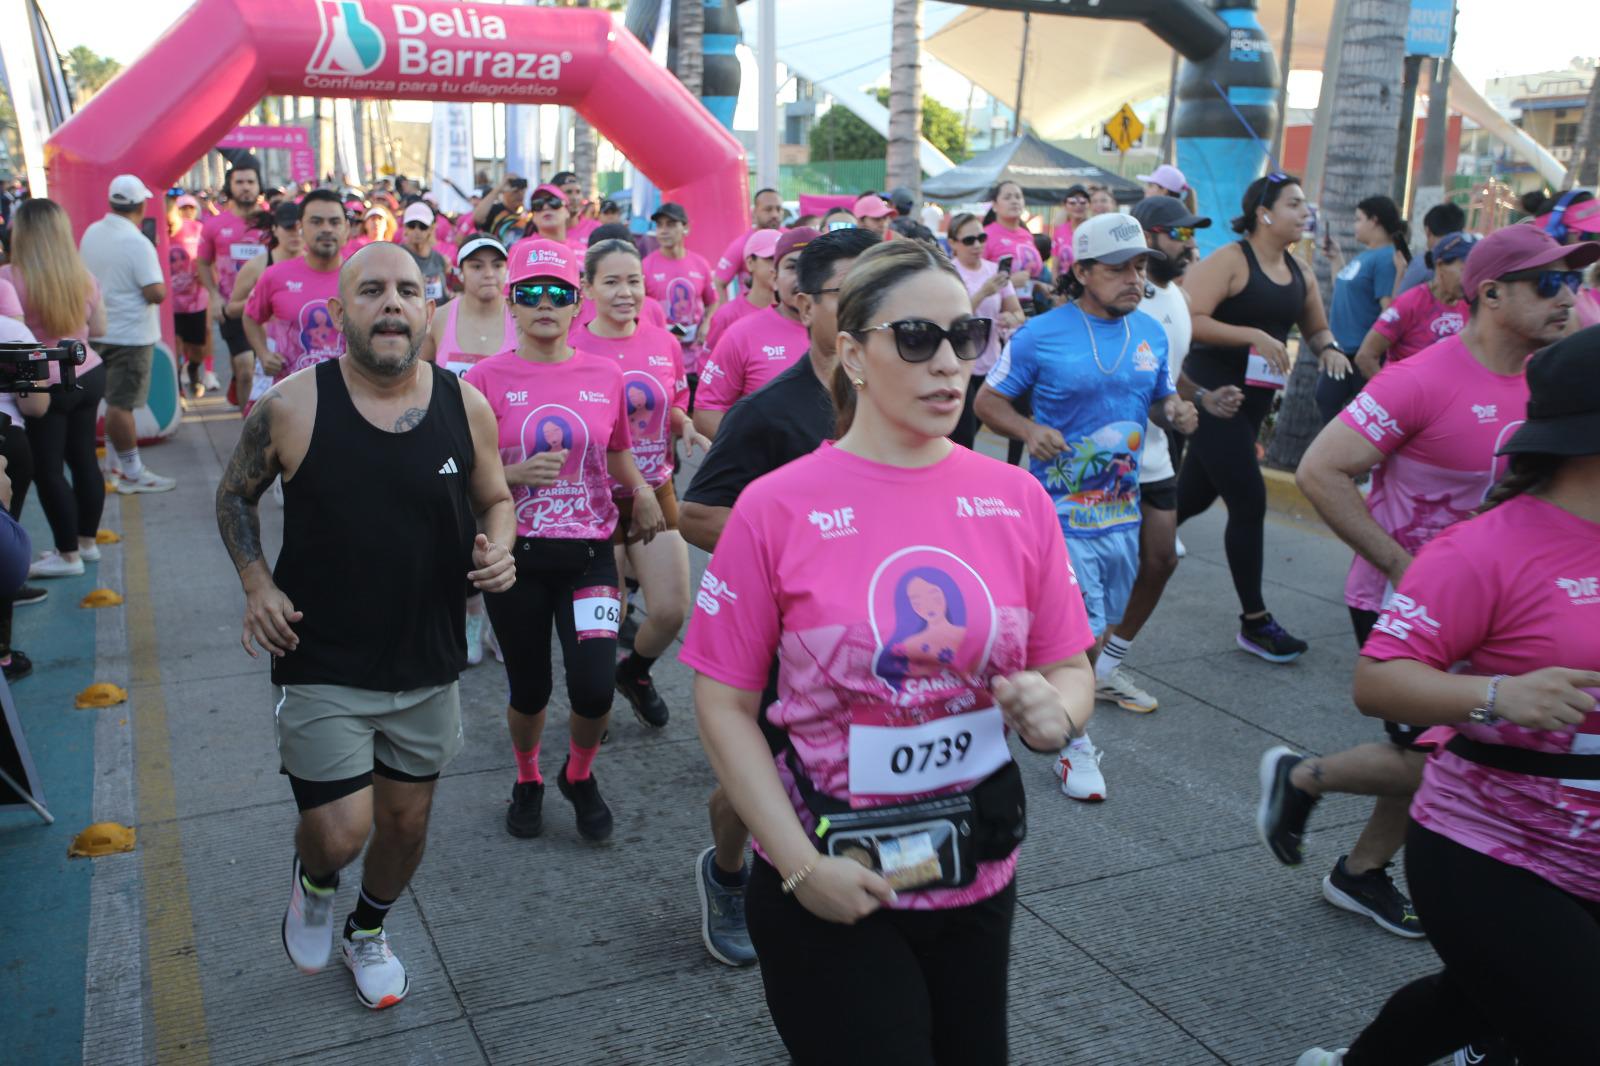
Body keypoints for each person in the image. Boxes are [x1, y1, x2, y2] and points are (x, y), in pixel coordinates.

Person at [682, 239, 1095, 1062]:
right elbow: (722, 702)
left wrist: (1059, 713)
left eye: (967, 337)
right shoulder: (776, 508)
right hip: (829, 877)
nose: (950, 364)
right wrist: (800, 870)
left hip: (976, 868)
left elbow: (1069, 665)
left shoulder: (1014, 499)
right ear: (852, 354)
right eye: (917, 338)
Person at [1268, 226, 1598, 943]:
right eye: (1548, 283)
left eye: (1571, 281)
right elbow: (1322, 470)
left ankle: (1363, 869)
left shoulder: (1559, 380)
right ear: (1490, 293)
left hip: (1515, 608)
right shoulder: (1422, 378)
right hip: (1411, 605)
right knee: (1455, 755)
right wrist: (1398, 565)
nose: (1567, 296)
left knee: (1455, 748)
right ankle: (1308, 782)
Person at [215, 241, 516, 1011]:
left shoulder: (464, 403)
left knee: (406, 825)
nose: (392, 304)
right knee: (342, 831)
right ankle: (316, 883)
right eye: (372, 291)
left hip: (428, 659)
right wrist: (257, 584)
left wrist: (500, 554)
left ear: (428, 308)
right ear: (340, 311)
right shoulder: (292, 405)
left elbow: (497, 497)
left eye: (408, 290)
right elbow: (233, 496)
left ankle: (368, 930)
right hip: (321, 656)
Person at [1298, 324, 1600, 1066]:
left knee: (1473, 1000)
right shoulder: (1482, 548)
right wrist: (1499, 695)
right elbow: (1377, 679)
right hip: (1493, 845)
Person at [680, 226, 880, 968]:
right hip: (783, 634)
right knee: (758, 776)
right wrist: (807, 557)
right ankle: (728, 871)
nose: (872, 309)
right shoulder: (771, 412)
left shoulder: (901, 398)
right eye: (851, 294)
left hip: (876, 634)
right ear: (804, 304)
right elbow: (696, 513)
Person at [976, 212, 1198, 802]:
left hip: (1120, 514)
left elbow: (1157, 399)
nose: (1134, 277)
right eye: (1120, 267)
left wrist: (1175, 412)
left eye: (1141, 266)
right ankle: (1072, 747)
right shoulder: (1041, 334)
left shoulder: (1148, 333)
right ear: (1082, 271)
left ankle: (1014, 691)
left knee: (1083, 631)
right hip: (1056, 516)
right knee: (1088, 634)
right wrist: (1028, 428)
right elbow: (987, 401)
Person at [463, 239, 663, 844]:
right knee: (530, 688)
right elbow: (461, 476)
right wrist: (514, 476)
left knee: (595, 684)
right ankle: (527, 778)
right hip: (514, 557)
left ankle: (578, 776)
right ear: (512, 306)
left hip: (590, 557)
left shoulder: (605, 373)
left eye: (558, 293)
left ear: (576, 303)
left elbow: (619, 449)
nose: (544, 303)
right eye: (530, 293)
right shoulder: (481, 379)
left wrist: (645, 490)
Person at [1177, 172, 1338, 663]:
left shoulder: (1301, 272)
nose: (1304, 211)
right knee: (1248, 501)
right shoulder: (1231, 260)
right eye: (1294, 203)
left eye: (1305, 202)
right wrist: (1252, 335)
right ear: (1264, 213)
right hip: (1212, 395)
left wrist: (1330, 351)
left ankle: (1106, 547)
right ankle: (1255, 622)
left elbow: (1316, 329)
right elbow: (1189, 317)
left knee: (1191, 500)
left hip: (1253, 406)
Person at [1093, 197, 1238, 713]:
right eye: (1180, 235)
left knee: (1160, 559)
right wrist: (1169, 409)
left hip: (1155, 453)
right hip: (1110, 456)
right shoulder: (1128, 296)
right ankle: (1071, 669)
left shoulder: (1175, 295)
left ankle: (1105, 667)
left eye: (1191, 235)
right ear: (1150, 237)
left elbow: (1166, 374)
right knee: (1100, 571)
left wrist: (1200, 398)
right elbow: (1119, 377)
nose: (1190, 244)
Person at [571, 237, 708, 728]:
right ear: (587, 287)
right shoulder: (571, 347)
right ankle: (592, 708)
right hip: (591, 502)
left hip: (658, 488)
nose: (625, 292)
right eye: (611, 282)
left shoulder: (663, 340)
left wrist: (684, 424)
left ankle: (636, 674)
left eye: (632, 280)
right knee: (603, 621)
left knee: (671, 610)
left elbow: (668, 404)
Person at [0, 199, 106, 578]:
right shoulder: (83, 276)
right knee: (84, 460)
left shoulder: (10, 278)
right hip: (88, 370)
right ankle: (87, 544)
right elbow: (101, 329)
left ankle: (67, 554)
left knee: (48, 469)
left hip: (42, 382)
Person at [78, 174, 173, 494]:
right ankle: (132, 471)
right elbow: (156, 292)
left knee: (116, 403)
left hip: (97, 330)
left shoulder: (92, 232)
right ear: (141, 204)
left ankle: (115, 466)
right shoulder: (137, 242)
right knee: (122, 406)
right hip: (130, 336)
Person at [693, 228, 816, 439]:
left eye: (814, 266)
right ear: (775, 277)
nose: (803, 276)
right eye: (792, 267)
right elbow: (708, 405)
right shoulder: (735, 325)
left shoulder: (847, 330)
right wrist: (753, 451)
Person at [1315, 195, 1411, 423]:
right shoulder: (1366, 256)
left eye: (1358, 219)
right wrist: (1336, 258)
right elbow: (1343, 285)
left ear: (1374, 221)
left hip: (1362, 354)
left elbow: (1390, 310)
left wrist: (1371, 353)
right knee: (1326, 400)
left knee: (1363, 416)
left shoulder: (1387, 258)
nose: (1354, 225)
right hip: (1341, 351)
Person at [245, 189, 350, 385]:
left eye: (334, 222)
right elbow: (250, 317)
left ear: (347, 228)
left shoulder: (361, 277)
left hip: (349, 394)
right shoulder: (275, 275)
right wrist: (264, 354)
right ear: (300, 226)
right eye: (316, 222)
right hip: (291, 395)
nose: (327, 229)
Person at [946, 212, 1023, 449]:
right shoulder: (948, 273)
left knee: (1009, 423)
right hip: (961, 363)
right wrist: (982, 293)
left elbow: (1019, 314)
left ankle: (1014, 474)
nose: (977, 245)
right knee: (965, 434)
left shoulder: (996, 272)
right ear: (953, 243)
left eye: (981, 237)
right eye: (969, 240)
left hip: (993, 362)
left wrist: (1010, 318)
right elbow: (948, 322)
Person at [1352, 231, 1475, 377]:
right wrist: (1391, 394)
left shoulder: (1470, 307)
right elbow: (1365, 357)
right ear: (1441, 265)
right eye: (1465, 269)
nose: (1471, 276)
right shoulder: (1409, 303)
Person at [198, 160, 267, 409]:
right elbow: (203, 263)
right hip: (233, 307)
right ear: (230, 186)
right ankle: (249, 433)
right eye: (239, 182)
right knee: (247, 368)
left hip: (268, 309)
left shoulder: (271, 224)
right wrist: (214, 296)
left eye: (251, 182)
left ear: (259, 186)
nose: (245, 187)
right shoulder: (215, 225)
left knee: (264, 370)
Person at [642, 202, 717, 395]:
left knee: (695, 413)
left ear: (685, 227)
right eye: (659, 225)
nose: (663, 230)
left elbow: (713, 301)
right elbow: (640, 311)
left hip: (696, 357)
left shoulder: (700, 264)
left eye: (670, 224)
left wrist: (707, 322)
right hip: (662, 357)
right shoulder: (646, 266)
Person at [420, 234, 512, 377]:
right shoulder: (438, 320)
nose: (489, 274)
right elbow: (417, 378)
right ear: (461, 272)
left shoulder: (523, 317)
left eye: (497, 265)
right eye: (477, 266)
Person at [703, 228, 779, 359]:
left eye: (781, 259)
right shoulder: (727, 316)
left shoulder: (796, 312)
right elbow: (709, 368)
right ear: (750, 263)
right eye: (770, 258)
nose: (777, 266)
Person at [168, 193, 213, 398]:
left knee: (197, 349)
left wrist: (206, 274)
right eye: (181, 207)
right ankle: (178, 391)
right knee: (175, 346)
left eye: (191, 208)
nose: (186, 212)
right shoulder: (157, 230)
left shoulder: (197, 229)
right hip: (170, 303)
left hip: (196, 301)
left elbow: (209, 259)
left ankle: (194, 369)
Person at [982, 181, 1044, 316]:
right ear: (994, 205)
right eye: (1007, 197)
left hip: (1029, 309)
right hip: (1001, 313)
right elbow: (975, 278)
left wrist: (1039, 286)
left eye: (1018, 197)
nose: (1014, 201)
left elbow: (1030, 273)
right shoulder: (985, 236)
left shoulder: (1027, 235)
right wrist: (1008, 283)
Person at [713, 187, 785, 303]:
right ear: (754, 212)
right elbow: (719, 282)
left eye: (779, 209)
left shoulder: (790, 238)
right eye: (768, 209)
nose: (775, 214)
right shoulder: (742, 245)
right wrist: (726, 314)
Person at [1395, 201, 1466, 294]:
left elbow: (1397, 303)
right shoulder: (1469, 260)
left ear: (1427, 231)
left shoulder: (1422, 263)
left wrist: (1400, 271)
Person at [399, 202, 449, 304]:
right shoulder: (396, 257)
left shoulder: (439, 259)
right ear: (405, 228)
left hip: (438, 317)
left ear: (430, 229)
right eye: (412, 225)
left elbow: (444, 294)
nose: (417, 231)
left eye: (422, 226)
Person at [473, 174, 528, 241]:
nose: (520, 195)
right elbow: (477, 218)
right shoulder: (495, 210)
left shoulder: (527, 214)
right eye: (515, 191)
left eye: (522, 191)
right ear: (504, 192)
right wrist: (498, 189)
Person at [1051, 184, 1089, 277]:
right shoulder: (1059, 230)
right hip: (1064, 286)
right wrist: (1057, 288)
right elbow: (1055, 266)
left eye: (1083, 202)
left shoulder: (1093, 229)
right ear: (1065, 205)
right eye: (1072, 202)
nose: (1078, 206)